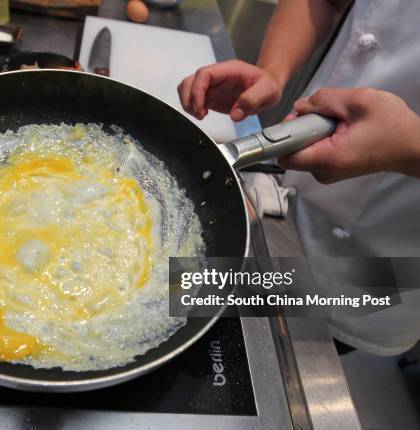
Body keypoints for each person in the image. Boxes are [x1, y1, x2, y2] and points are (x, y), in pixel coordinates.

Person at [178, 0, 420, 355]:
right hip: (290, 208)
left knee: (299, 355)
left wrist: (408, 145)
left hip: (385, 268)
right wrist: (272, 72)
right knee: (187, 303)